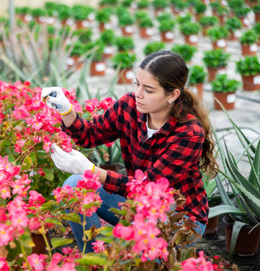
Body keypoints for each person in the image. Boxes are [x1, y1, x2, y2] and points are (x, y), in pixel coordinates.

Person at [42, 50, 219, 253]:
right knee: (74, 186)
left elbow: (148, 186)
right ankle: (92, 261)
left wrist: (89, 169)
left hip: (178, 217)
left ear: (173, 95)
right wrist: (66, 110)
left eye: (149, 90)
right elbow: (90, 134)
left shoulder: (188, 132)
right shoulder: (130, 106)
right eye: (137, 84)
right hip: (138, 205)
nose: (138, 94)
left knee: (137, 259)